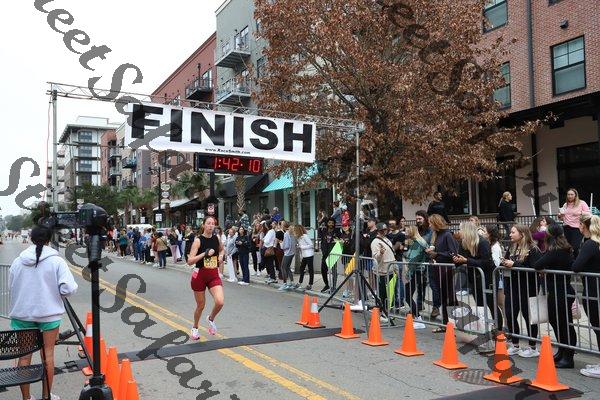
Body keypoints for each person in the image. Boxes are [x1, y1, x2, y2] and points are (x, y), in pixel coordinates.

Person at [9, 224, 78, 400]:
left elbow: (12, 285)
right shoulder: (56, 261)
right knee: (48, 355)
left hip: (23, 315)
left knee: (24, 358)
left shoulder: (18, 261)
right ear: (49, 240)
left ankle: (26, 398)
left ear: (31, 239)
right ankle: (46, 396)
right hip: (49, 315)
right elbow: (68, 288)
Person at [533, 223, 577, 368]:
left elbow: (538, 264)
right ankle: (562, 350)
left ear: (550, 236)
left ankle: (568, 356)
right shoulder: (562, 248)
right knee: (557, 321)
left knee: (564, 323)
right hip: (559, 290)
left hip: (561, 291)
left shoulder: (556, 251)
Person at [501, 224, 542, 358]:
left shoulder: (533, 249)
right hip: (512, 286)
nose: (510, 234)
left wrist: (514, 264)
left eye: (513, 232)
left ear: (522, 234)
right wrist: (504, 263)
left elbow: (534, 268)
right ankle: (515, 344)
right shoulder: (512, 247)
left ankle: (532, 347)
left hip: (527, 288)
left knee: (528, 317)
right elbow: (507, 262)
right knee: (510, 314)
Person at [451, 221, 499, 331]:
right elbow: (462, 259)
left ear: (467, 231)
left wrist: (467, 260)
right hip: (474, 279)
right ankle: (485, 330)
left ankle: (498, 329)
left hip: (488, 278)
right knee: (480, 305)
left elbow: (487, 262)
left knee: (491, 305)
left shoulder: (482, 242)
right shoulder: (463, 243)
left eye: (460, 229)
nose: (459, 232)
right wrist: (457, 260)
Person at [187, 216, 225, 338]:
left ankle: (211, 318)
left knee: (220, 302)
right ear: (203, 225)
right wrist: (204, 253)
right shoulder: (198, 241)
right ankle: (195, 327)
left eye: (212, 223)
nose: (210, 225)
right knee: (201, 305)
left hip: (213, 274)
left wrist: (221, 256)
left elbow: (222, 250)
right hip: (200, 276)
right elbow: (190, 261)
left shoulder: (216, 238)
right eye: (208, 223)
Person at [572, 214, 600, 378]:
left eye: (579, 224)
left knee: (597, 325)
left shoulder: (590, 244)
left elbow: (576, 266)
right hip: (594, 288)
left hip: (593, 289)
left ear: (583, 226)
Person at [425, 214, 459, 333]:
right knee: (444, 297)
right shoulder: (437, 235)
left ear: (436, 223)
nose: (429, 225)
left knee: (449, 297)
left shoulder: (447, 235)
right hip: (439, 269)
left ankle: (452, 324)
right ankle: (446, 324)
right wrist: (432, 252)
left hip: (446, 270)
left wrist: (437, 254)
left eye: (431, 223)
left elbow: (453, 253)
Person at [403, 225, 428, 329]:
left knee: (408, 295)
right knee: (409, 294)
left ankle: (418, 318)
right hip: (417, 271)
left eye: (407, 231)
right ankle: (416, 316)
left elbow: (413, 260)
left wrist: (408, 274)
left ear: (412, 231)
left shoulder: (417, 242)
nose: (405, 232)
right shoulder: (416, 242)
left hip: (416, 271)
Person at [370, 223, 396, 323]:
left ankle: (386, 312)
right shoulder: (375, 242)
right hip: (382, 271)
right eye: (382, 230)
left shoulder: (387, 239)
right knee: (383, 294)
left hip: (390, 269)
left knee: (390, 293)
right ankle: (383, 313)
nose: (384, 232)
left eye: (385, 230)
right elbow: (375, 257)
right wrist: (380, 253)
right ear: (378, 231)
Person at [559, 188, 591, 255]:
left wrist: (580, 212)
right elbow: (562, 219)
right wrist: (560, 216)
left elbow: (589, 214)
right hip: (566, 227)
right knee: (567, 247)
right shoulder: (565, 204)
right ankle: (570, 260)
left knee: (575, 246)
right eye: (568, 194)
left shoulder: (582, 203)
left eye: (572, 194)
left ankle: (578, 259)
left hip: (577, 228)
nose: (570, 196)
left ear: (575, 195)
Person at [319, 217, 341, 293]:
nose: (331, 224)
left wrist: (337, 240)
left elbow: (340, 240)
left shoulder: (337, 231)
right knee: (323, 270)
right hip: (325, 253)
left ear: (334, 224)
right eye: (329, 223)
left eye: (332, 223)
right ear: (327, 223)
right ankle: (326, 285)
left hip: (333, 253)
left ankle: (334, 287)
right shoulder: (324, 231)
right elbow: (320, 236)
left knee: (334, 271)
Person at [294, 225, 315, 290]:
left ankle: (310, 284)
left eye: (295, 230)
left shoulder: (305, 236)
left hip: (309, 255)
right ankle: (300, 282)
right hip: (304, 255)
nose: (294, 231)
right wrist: (299, 246)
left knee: (310, 269)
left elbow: (311, 245)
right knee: (301, 269)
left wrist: (302, 247)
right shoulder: (299, 237)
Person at [279, 221, 297, 291]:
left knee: (283, 267)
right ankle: (292, 282)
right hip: (292, 253)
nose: (281, 226)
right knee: (287, 267)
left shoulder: (286, 234)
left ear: (284, 226)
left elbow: (286, 246)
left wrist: (281, 244)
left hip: (287, 253)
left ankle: (285, 284)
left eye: (281, 225)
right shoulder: (292, 233)